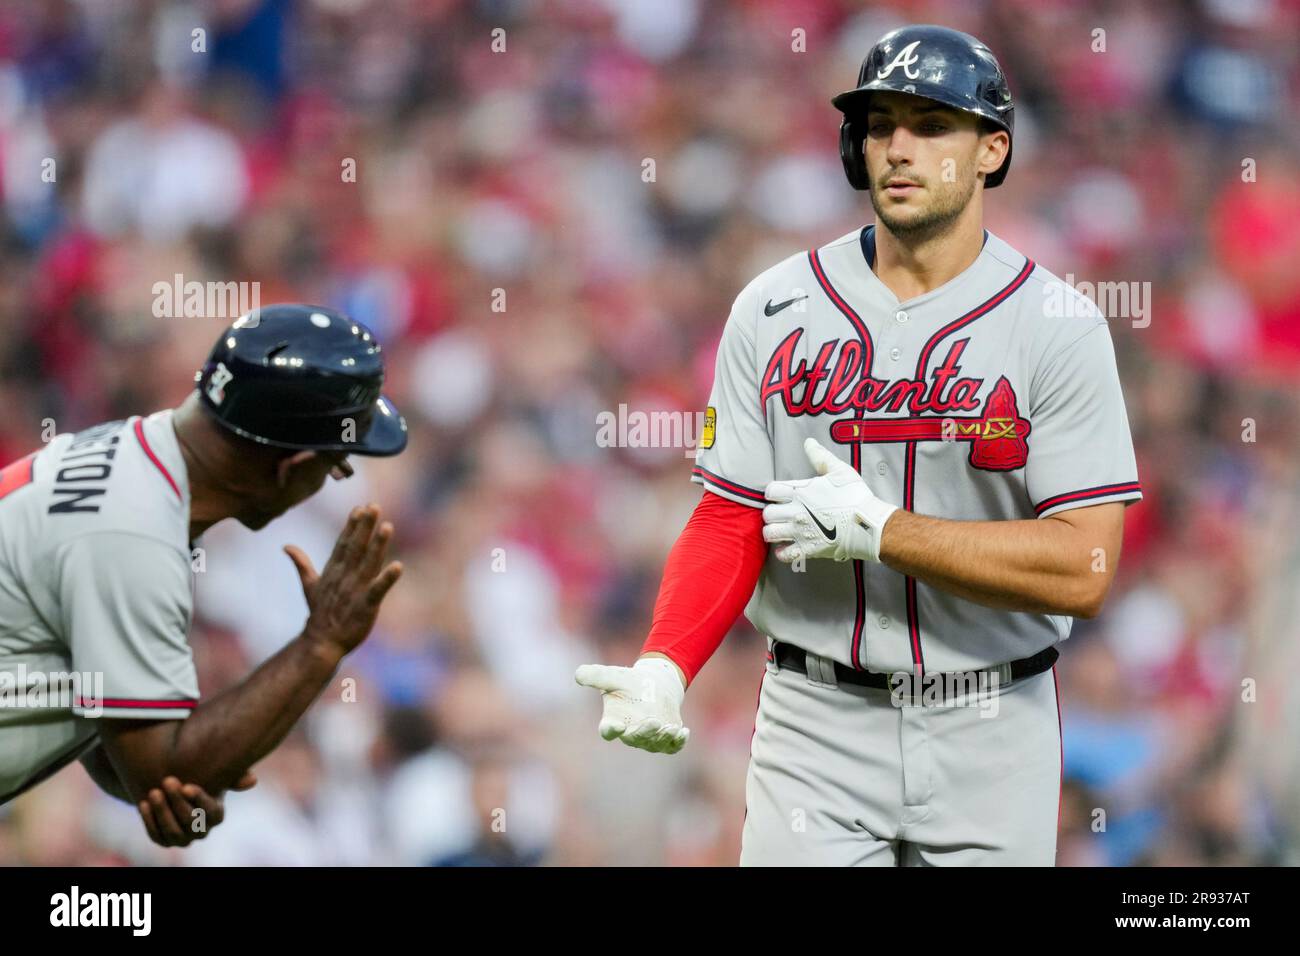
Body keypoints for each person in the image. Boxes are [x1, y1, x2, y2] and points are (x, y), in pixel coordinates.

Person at [577, 24, 1142, 866]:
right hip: (815, 722)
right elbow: (729, 514)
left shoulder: (1058, 326)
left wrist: (884, 532)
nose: (899, 149)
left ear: (992, 150)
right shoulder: (770, 308)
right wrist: (668, 660)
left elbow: (1086, 568)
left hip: (994, 725)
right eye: (880, 125)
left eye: (931, 124)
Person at [0, 304, 407, 849]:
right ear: (292, 465)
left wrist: (187, 768)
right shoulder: (134, 533)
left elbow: (128, 754)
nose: (333, 480)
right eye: (336, 465)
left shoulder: (133, 464)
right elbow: (166, 771)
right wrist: (322, 644)